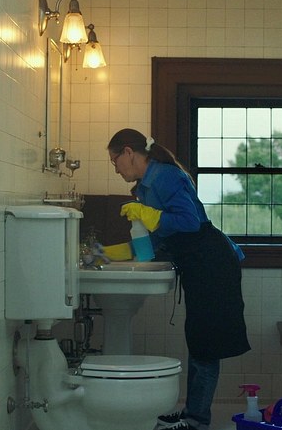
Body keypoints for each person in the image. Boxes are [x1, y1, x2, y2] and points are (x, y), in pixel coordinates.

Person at [107, 128, 251, 430]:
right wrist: (113, 253)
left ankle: (197, 421)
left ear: (128, 153)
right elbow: (157, 240)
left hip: (212, 262)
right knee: (198, 342)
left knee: (206, 346)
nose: (115, 169)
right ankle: (191, 413)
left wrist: (149, 215)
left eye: (114, 161)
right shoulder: (145, 187)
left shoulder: (165, 176)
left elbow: (188, 222)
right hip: (198, 265)